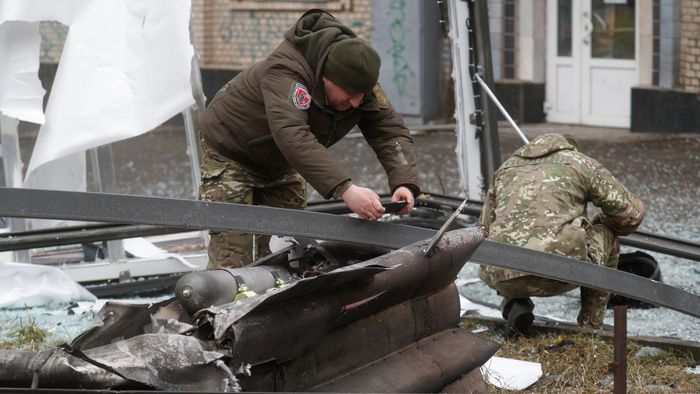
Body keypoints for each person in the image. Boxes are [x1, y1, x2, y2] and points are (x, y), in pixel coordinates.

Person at [198, 9, 419, 269]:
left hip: (281, 162)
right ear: (325, 78)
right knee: (234, 261)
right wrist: (346, 189)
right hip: (232, 154)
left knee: (286, 254)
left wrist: (404, 182)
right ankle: (226, 306)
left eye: (362, 94)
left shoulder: (358, 83)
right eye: (349, 94)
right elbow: (293, 135)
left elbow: (389, 131)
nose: (356, 102)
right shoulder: (286, 72)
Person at [478, 133, 645, 336]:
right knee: (607, 232)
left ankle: (514, 303)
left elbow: (483, 229)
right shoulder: (580, 163)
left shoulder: (505, 168)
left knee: (504, 240)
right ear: (568, 148)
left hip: (504, 276)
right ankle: (590, 326)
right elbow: (631, 214)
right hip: (563, 273)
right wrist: (601, 224)